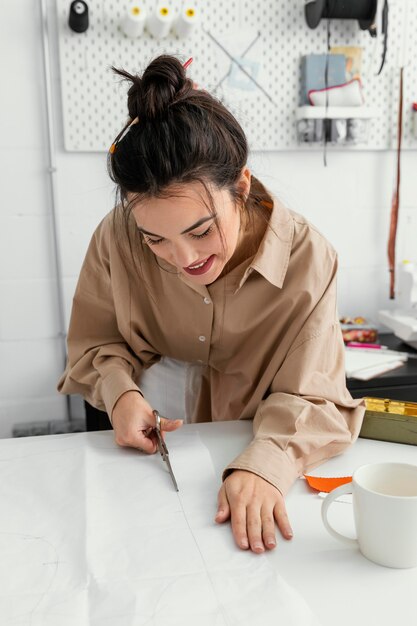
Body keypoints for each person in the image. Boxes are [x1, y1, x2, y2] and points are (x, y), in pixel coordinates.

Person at [58, 54, 365, 554]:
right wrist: (119, 392)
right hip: (155, 445)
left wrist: (267, 463)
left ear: (240, 187)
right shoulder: (116, 237)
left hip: (260, 444)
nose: (184, 259)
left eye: (201, 230)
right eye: (154, 239)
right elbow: (97, 343)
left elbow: (316, 396)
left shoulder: (308, 258)